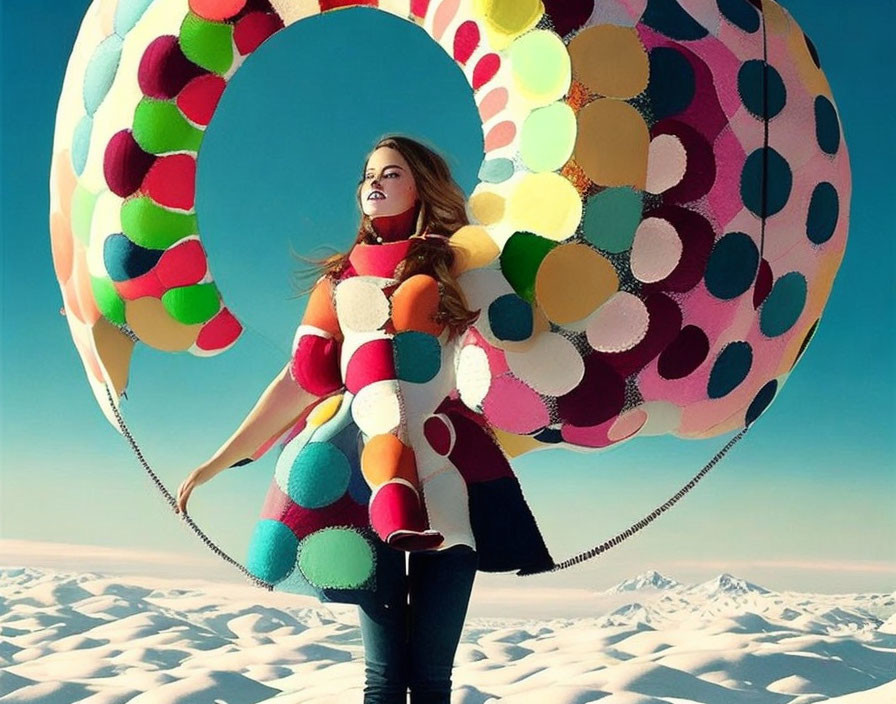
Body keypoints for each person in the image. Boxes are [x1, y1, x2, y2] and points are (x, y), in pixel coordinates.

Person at [175, 135, 554, 703]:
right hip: (357, 481)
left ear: (422, 186)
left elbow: (529, 339)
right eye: (368, 174)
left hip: (448, 474)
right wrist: (216, 462)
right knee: (382, 678)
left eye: (392, 173)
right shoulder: (339, 280)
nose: (373, 183)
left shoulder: (462, 265)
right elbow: (296, 384)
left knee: (430, 681)